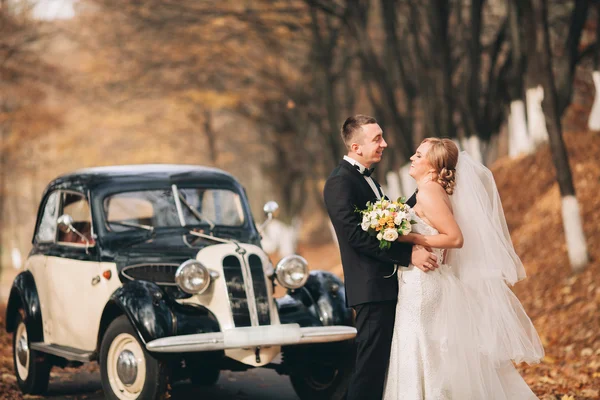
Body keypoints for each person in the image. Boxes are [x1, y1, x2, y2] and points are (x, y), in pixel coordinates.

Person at [383, 138, 544, 399]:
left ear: (433, 167)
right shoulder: (432, 191)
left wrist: (413, 239)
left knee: (421, 349)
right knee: (428, 350)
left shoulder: (428, 192)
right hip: (423, 281)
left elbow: (455, 238)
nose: (412, 158)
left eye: (419, 155)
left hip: (423, 287)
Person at [323, 115, 438, 400]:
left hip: (383, 285)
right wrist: (409, 254)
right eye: (377, 139)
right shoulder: (340, 182)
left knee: (378, 368)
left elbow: (389, 224)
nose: (384, 144)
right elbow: (357, 237)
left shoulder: (367, 180)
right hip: (370, 288)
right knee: (369, 369)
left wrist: (422, 190)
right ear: (355, 147)